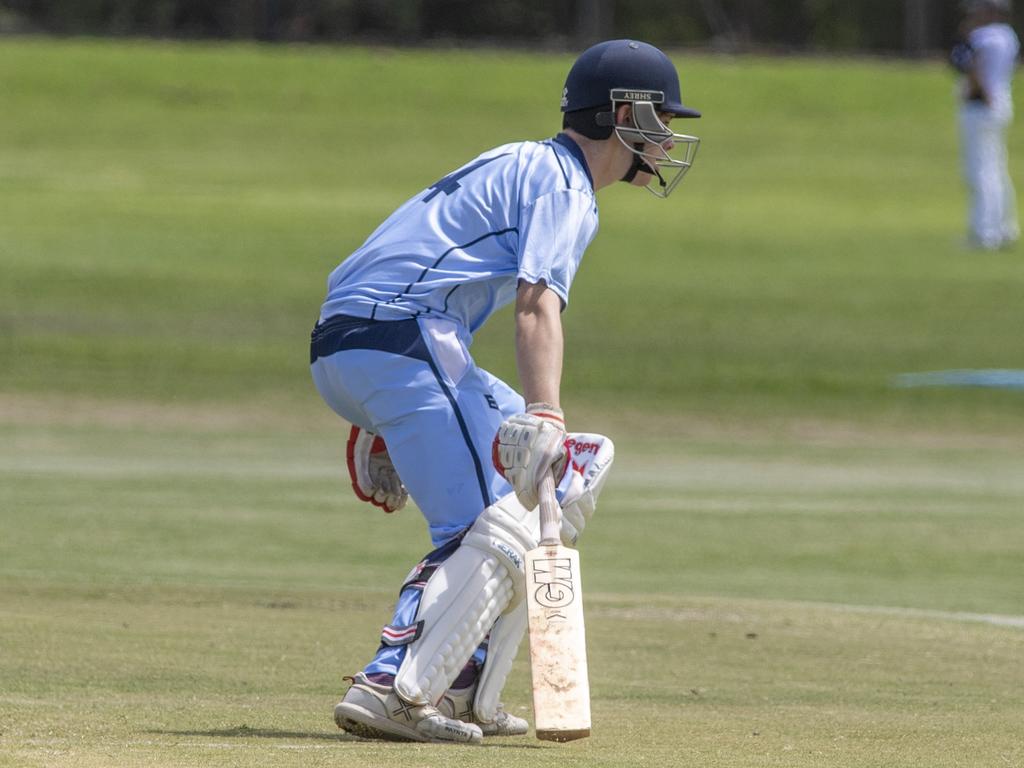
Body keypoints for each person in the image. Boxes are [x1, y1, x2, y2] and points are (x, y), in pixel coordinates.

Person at [309, 39, 701, 744]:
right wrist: (543, 409)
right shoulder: (564, 184)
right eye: (661, 116)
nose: (669, 135)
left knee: (571, 469)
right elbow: (535, 305)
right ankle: (394, 685)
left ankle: (463, 684)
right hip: (403, 340)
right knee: (478, 532)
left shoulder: (525, 159)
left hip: (358, 342)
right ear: (624, 115)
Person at [951, 0, 1020, 250]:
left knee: (980, 171)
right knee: (997, 168)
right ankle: (1005, 227)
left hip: (980, 105)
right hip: (1001, 104)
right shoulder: (1009, 36)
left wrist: (979, 88)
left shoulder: (983, 36)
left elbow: (968, 64)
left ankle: (984, 232)